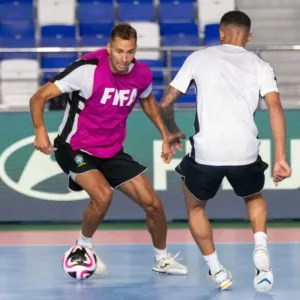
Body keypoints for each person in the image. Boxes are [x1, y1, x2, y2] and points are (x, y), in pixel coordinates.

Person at [29, 23, 187, 276]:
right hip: (74, 147)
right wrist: (40, 129)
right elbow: (38, 97)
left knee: (154, 205)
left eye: (130, 52)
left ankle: (162, 259)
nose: (124, 59)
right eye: (119, 51)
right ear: (109, 48)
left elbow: (147, 101)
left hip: (112, 150)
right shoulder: (87, 70)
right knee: (103, 195)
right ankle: (83, 247)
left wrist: (165, 134)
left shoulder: (142, 73)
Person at [159, 11, 291, 292]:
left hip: (207, 152)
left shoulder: (198, 57)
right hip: (245, 150)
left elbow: (166, 101)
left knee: (195, 206)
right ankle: (260, 246)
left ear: (221, 33)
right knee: (253, 197)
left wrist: (171, 131)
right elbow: (276, 108)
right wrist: (280, 156)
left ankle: (216, 270)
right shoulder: (260, 65)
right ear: (249, 37)